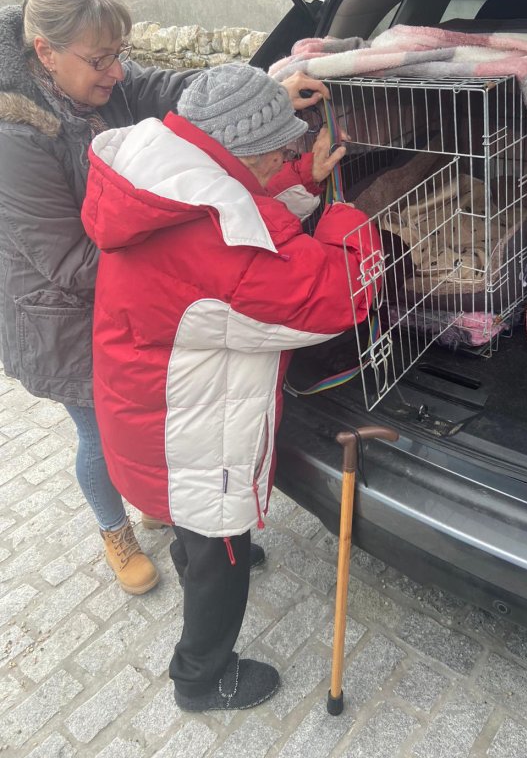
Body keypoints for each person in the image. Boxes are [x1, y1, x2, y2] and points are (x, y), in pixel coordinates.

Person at [0, 0, 333, 595]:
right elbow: (70, 263)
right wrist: (190, 255)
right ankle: (113, 527)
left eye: (119, 54)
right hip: (63, 314)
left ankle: (163, 503)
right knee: (100, 428)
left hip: (129, 289)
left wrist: (260, 101)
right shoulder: (15, 138)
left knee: (149, 424)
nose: (119, 71)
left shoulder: (108, 82)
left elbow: (177, 87)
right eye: (101, 60)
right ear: (46, 52)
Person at [81, 62, 380, 711]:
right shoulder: (219, 239)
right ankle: (202, 676)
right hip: (190, 436)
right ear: (252, 153)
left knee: (201, 535)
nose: (284, 166)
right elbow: (335, 295)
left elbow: (248, 206)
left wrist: (302, 176)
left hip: (146, 408)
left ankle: (196, 557)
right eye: (281, 157)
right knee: (223, 553)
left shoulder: (166, 171)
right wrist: (350, 220)